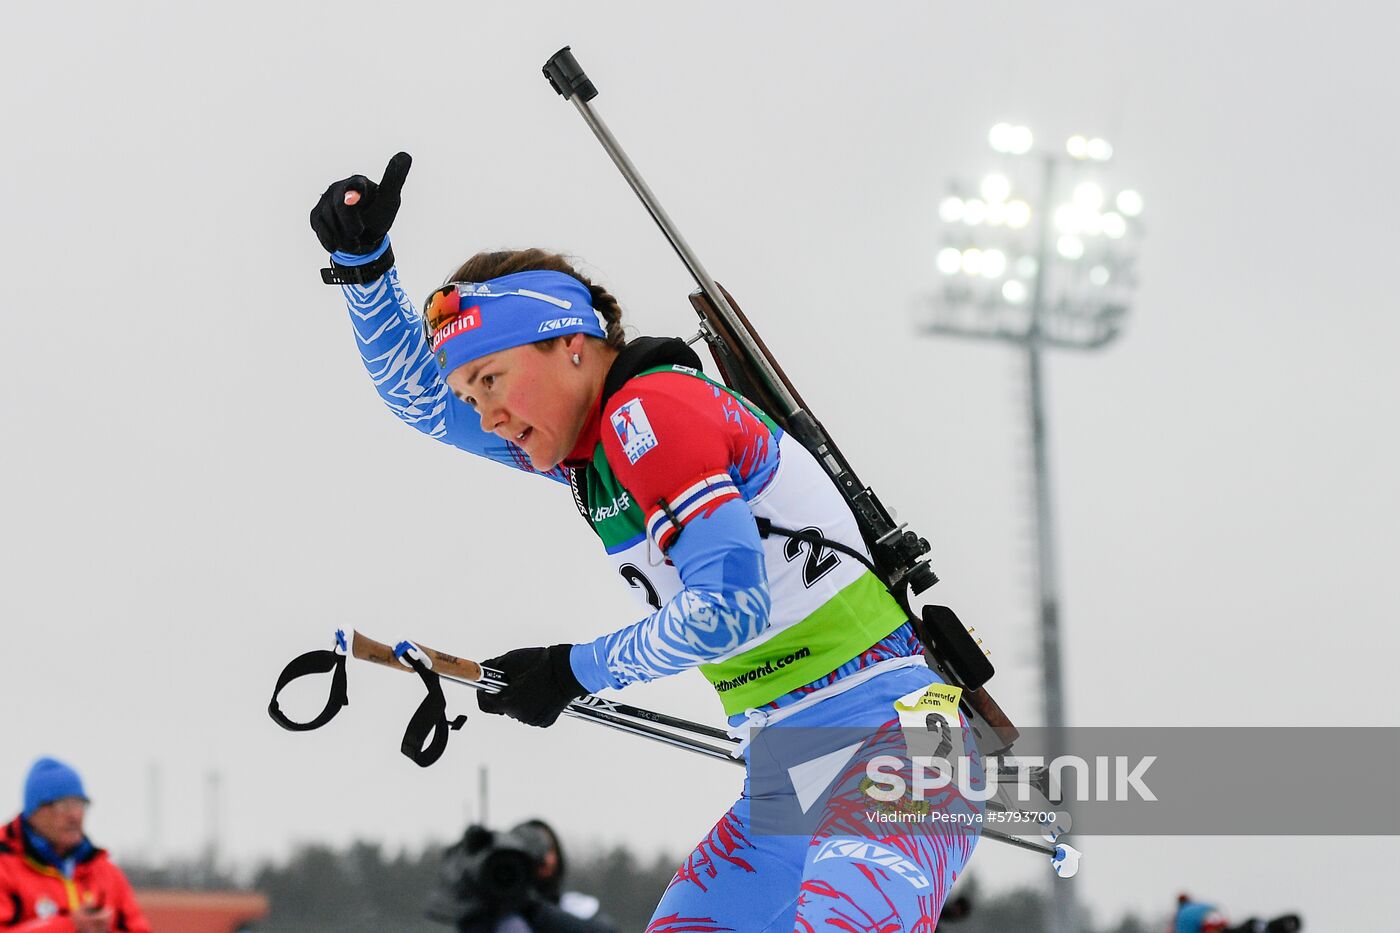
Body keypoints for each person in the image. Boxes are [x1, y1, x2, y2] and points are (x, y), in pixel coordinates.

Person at [310, 153, 981, 930]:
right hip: (791, 773)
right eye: (472, 393)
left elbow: (728, 607)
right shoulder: (584, 456)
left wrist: (572, 669)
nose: (484, 415)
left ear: (569, 343)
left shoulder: (650, 413)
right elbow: (419, 398)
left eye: (490, 379)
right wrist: (364, 269)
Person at [0, 758, 151, 933]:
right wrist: (68, 927)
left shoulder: (106, 873)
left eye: (79, 804)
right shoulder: (5, 869)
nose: (74, 815)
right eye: (62, 805)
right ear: (34, 811)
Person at [426, 819, 617, 933]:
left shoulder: (578, 908)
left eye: (549, 849)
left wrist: (533, 909)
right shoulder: (493, 918)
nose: (545, 859)